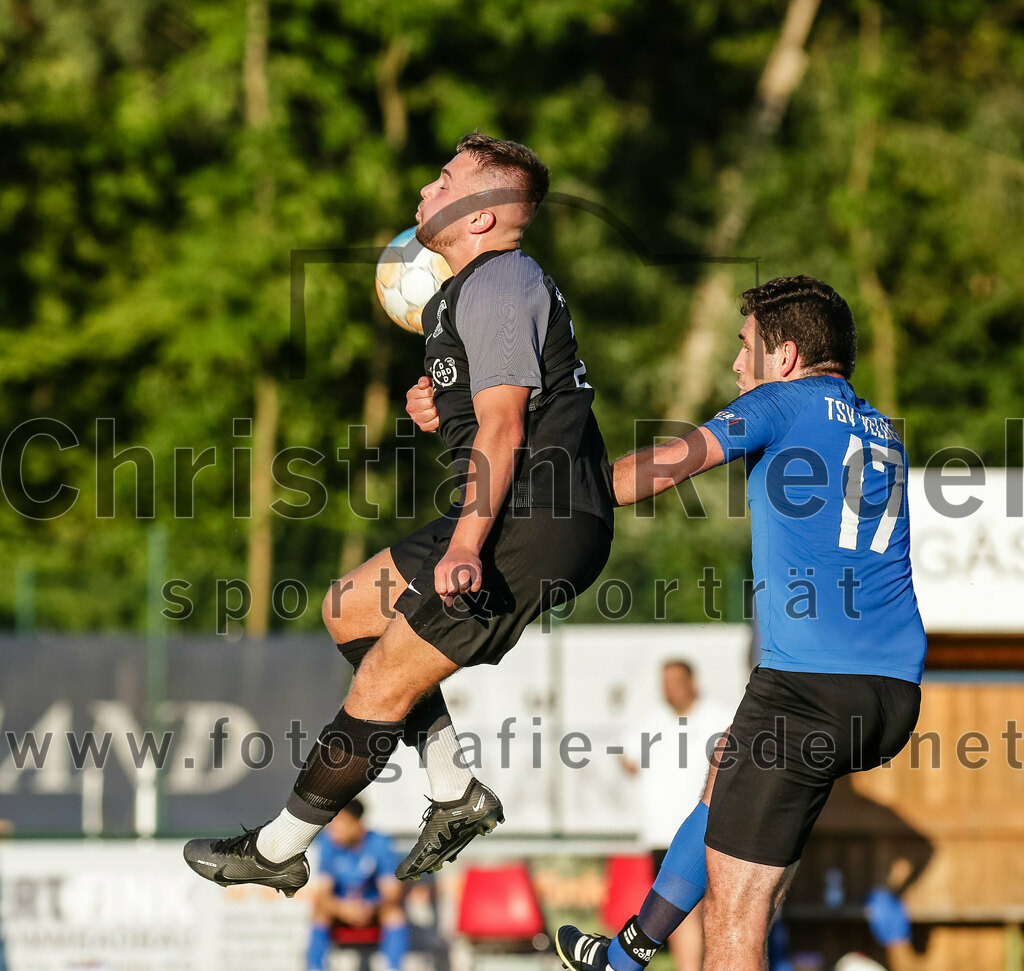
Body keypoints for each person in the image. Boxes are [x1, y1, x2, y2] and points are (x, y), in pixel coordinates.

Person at [184, 132, 615, 894]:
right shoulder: (474, 289)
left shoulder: (500, 281)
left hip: (529, 518)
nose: (424, 192)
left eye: (443, 180)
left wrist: (466, 547)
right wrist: (441, 402)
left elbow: (508, 427)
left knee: (382, 680)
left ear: (481, 215)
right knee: (350, 608)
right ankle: (454, 791)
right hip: (514, 508)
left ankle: (279, 847)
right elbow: (501, 404)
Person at [554, 277, 926, 970]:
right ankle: (628, 952)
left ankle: (626, 956)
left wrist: (549, 489)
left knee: (736, 909)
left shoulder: (780, 401)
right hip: (892, 694)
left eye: (743, 346)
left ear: (783, 355)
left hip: (807, 689)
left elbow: (661, 469)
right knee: (725, 764)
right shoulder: (881, 430)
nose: (735, 365)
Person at [619, 660, 731, 971]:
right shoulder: (652, 722)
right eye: (665, 682)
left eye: (676, 680)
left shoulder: (719, 715)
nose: (670, 688)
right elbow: (627, 759)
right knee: (681, 915)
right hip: (664, 833)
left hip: (708, 831)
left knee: (715, 913)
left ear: (692, 681)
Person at [306, 800, 408, 971]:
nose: (333, 831)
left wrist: (371, 908)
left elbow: (392, 892)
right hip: (340, 909)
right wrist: (341, 908)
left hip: (373, 908)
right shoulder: (328, 844)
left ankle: (393, 967)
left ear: (357, 824)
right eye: (332, 826)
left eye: (340, 825)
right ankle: (314, 968)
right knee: (320, 912)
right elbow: (323, 893)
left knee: (394, 914)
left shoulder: (379, 843)